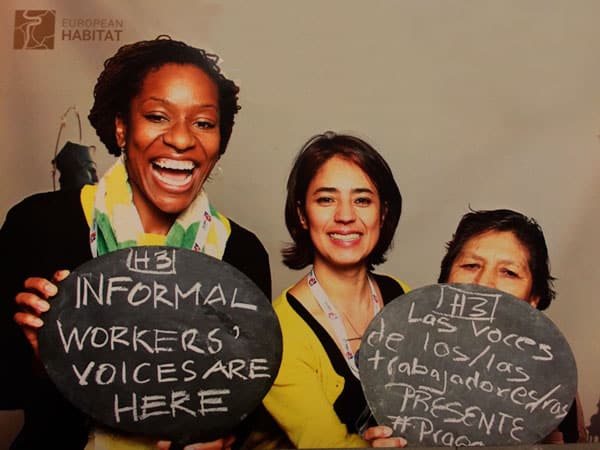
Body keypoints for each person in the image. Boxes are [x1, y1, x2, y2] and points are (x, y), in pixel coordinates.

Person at [0, 36, 271, 450]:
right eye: (158, 116)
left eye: (203, 122)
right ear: (122, 127)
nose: (181, 139)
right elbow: (5, 389)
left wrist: (221, 437)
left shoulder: (242, 253)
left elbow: (246, 401)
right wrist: (43, 360)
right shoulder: (40, 224)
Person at [253, 131, 409, 448]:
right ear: (302, 214)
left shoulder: (405, 298)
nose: (345, 216)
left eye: (362, 200)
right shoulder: (278, 336)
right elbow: (323, 444)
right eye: (326, 199)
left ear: (384, 212)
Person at [437, 207, 587, 444]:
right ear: (446, 280)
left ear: (533, 298)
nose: (484, 284)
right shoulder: (400, 358)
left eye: (509, 272)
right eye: (470, 266)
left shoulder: (553, 383)